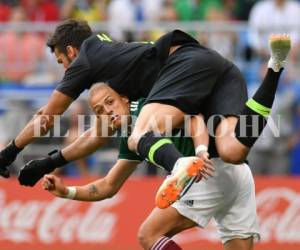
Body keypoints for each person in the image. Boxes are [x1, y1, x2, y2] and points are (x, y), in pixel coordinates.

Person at [0, 19, 290, 206]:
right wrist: (50, 161)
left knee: (139, 135)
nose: (66, 70)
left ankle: (179, 167)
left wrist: (11, 150)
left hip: (183, 61)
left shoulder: (86, 62)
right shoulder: (110, 61)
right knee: (233, 149)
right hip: (218, 69)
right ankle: (275, 68)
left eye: (63, 61)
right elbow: (99, 134)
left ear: (72, 52)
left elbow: (46, 116)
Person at [41, 83, 259, 250]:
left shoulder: (147, 106)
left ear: (125, 99)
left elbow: (193, 116)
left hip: (206, 171)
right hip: (238, 172)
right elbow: (108, 186)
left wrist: (201, 151)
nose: (107, 111)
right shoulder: (131, 134)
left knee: (148, 235)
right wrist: (66, 191)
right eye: (99, 110)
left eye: (110, 102)